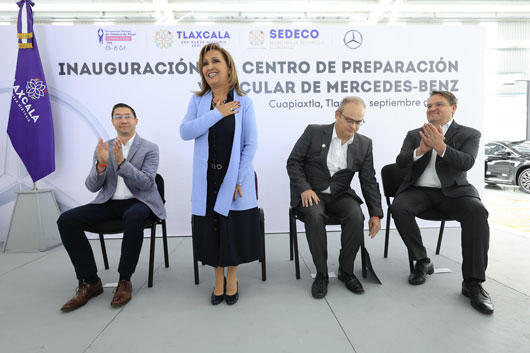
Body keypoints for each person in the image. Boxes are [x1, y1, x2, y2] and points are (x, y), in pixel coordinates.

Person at [391, 90, 493, 314]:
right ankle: (422, 261)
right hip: (419, 190)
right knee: (399, 207)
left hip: (454, 192)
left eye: (439, 105)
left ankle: (473, 283)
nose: (432, 109)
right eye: (429, 106)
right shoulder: (414, 134)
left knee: (477, 212)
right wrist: (421, 150)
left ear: (453, 108)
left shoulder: (469, 134)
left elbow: (467, 162)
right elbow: (400, 162)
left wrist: (441, 147)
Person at [57, 103, 165, 311]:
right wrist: (101, 165)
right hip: (109, 202)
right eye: (118, 116)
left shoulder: (150, 148)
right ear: (113, 121)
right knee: (67, 219)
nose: (123, 119)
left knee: (133, 217)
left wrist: (123, 164)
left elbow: (147, 183)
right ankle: (90, 281)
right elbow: (91, 187)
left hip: (140, 201)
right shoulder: (103, 147)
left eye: (127, 116)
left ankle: (124, 280)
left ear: (135, 120)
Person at [180, 43, 261, 306]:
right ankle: (217, 278)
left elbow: (251, 143)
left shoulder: (243, 101)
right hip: (207, 179)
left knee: (232, 228)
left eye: (215, 61)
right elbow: (186, 131)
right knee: (210, 229)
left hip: (234, 178)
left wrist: (239, 179)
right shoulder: (198, 101)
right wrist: (218, 113)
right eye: (204, 63)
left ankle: (233, 277)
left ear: (228, 67)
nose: (209, 67)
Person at [286, 96, 383, 299]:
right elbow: (294, 162)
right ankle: (321, 275)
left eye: (358, 122)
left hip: (340, 194)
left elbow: (368, 180)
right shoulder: (313, 132)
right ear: (337, 114)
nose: (354, 126)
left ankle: (346, 271)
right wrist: (303, 188)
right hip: (312, 192)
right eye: (350, 120)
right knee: (314, 215)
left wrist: (376, 213)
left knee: (356, 216)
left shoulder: (364, 144)